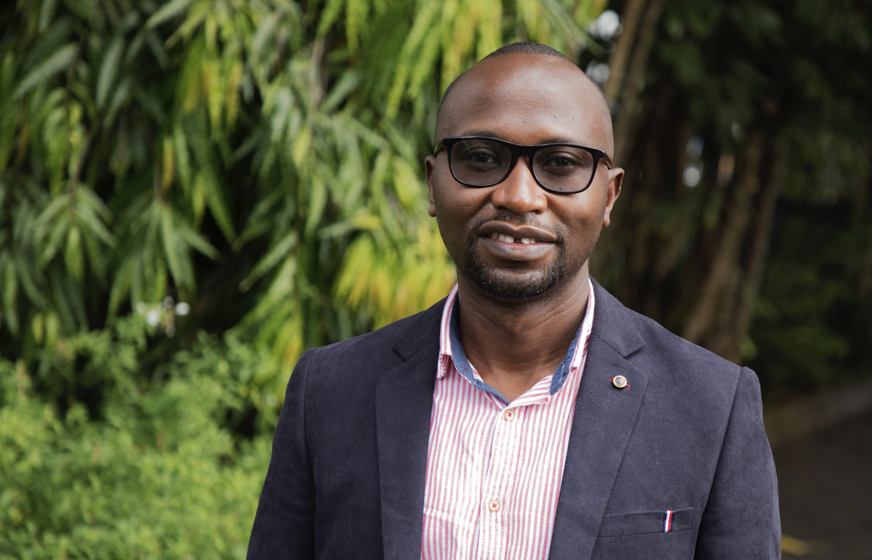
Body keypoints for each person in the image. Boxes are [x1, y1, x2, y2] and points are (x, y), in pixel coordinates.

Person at [248, 42, 780, 560]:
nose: (519, 196)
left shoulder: (711, 406)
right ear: (433, 184)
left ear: (609, 195)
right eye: (481, 157)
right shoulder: (329, 391)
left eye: (562, 163)